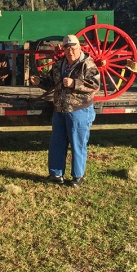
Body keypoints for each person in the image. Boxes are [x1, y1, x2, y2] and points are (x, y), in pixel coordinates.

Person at [29, 34, 100, 187]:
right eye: (67, 49)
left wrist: (74, 83)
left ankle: (77, 177)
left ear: (79, 47)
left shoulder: (88, 65)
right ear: (64, 50)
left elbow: (94, 86)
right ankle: (55, 174)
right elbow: (51, 83)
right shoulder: (58, 65)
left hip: (79, 111)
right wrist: (39, 81)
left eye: (73, 49)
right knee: (56, 144)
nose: (71, 52)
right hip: (60, 110)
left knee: (78, 145)